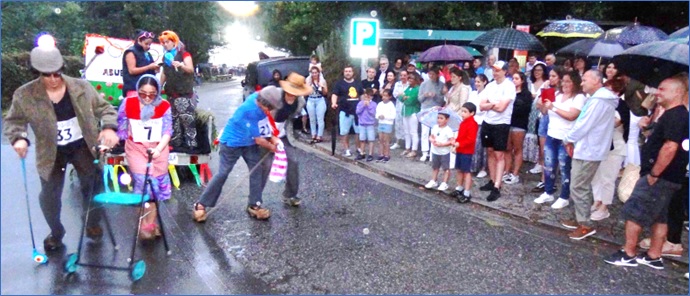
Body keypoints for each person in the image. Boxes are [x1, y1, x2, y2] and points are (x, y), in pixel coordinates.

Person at [4, 43, 119, 251]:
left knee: (94, 185)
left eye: (57, 74)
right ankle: (56, 230)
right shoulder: (25, 95)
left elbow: (106, 108)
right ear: (38, 73)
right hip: (51, 150)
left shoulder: (81, 87)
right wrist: (19, 138)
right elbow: (14, 121)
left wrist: (109, 128)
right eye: (47, 75)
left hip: (82, 145)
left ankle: (92, 222)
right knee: (48, 196)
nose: (54, 79)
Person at [604, 75, 688, 269]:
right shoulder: (674, 114)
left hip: (660, 176)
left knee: (634, 212)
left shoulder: (675, 115)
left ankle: (628, 252)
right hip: (670, 177)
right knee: (660, 216)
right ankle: (654, 255)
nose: (657, 92)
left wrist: (654, 174)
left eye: (662, 89)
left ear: (677, 92)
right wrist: (648, 127)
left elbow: (670, 147)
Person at [192, 87, 283, 222]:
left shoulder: (262, 95)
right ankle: (200, 204)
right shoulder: (250, 110)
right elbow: (259, 139)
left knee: (257, 170)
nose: (269, 111)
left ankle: (254, 204)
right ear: (262, 103)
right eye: (268, 108)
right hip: (231, 142)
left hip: (248, 143)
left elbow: (265, 128)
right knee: (223, 173)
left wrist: (274, 140)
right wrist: (272, 146)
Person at [560, 70, 618, 240]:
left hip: (591, 149)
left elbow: (584, 124)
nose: (582, 83)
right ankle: (580, 217)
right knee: (579, 184)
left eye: (585, 80)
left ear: (596, 81)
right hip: (587, 147)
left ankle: (585, 224)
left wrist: (568, 139)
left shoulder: (599, 101)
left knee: (579, 186)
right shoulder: (596, 100)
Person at [116, 74, 172, 239]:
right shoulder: (128, 103)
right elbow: (121, 125)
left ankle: (151, 222)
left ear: (158, 92)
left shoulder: (164, 106)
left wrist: (159, 149)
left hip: (158, 150)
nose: (147, 98)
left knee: (155, 189)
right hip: (136, 149)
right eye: (143, 93)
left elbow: (167, 131)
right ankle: (144, 224)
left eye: (152, 94)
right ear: (137, 91)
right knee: (144, 182)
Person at [533, 71, 586, 210]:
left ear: (575, 82)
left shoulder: (579, 97)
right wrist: (542, 104)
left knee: (564, 167)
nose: (565, 84)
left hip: (566, 138)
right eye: (564, 81)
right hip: (552, 134)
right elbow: (545, 112)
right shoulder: (556, 94)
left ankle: (564, 196)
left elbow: (571, 116)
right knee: (549, 164)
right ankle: (548, 191)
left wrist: (553, 108)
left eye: (569, 81)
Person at [259, 74, 312, 207]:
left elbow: (290, 119)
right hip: (265, 133)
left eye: (296, 92)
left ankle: (290, 195)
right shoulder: (275, 94)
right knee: (265, 165)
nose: (292, 95)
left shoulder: (300, 102)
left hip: (283, 135)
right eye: (290, 91)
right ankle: (255, 199)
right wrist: (268, 137)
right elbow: (261, 111)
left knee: (293, 161)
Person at [590, 76, 629, 221]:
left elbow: (616, 123)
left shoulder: (621, 106)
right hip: (599, 144)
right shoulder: (600, 103)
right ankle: (597, 199)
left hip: (615, 146)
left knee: (608, 178)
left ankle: (604, 207)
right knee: (596, 175)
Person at [478, 61, 516, 202]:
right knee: (490, 152)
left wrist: (490, 105)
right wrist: (494, 104)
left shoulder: (509, 86)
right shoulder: (490, 85)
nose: (495, 73)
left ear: (505, 71)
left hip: (501, 124)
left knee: (499, 155)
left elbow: (502, 108)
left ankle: (497, 186)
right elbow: (481, 106)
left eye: (498, 70)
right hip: (488, 122)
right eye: (494, 70)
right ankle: (492, 179)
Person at [159, 30, 197, 153]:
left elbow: (190, 69)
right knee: (173, 121)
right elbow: (164, 73)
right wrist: (159, 86)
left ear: (174, 42)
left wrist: (180, 66)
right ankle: (176, 144)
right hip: (171, 93)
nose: (165, 44)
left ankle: (191, 144)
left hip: (184, 93)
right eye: (163, 42)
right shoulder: (166, 57)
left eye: (167, 42)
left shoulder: (184, 54)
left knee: (187, 119)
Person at [531, 67, 564, 193]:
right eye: (550, 76)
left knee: (554, 153)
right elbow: (543, 110)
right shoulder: (547, 88)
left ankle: (552, 181)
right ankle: (544, 180)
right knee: (544, 153)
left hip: (556, 121)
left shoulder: (562, 92)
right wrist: (543, 95)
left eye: (554, 76)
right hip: (545, 120)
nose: (551, 78)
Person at [502, 71, 532, 185]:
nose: (514, 80)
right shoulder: (509, 93)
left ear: (522, 80)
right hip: (507, 122)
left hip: (519, 124)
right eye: (513, 78)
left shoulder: (526, 94)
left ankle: (515, 174)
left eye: (516, 78)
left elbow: (525, 110)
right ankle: (507, 171)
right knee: (507, 149)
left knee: (517, 149)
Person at [331, 65, 364, 157]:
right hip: (344, 111)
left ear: (353, 73)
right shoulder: (339, 84)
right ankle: (347, 149)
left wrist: (364, 105)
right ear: (343, 72)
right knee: (344, 132)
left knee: (358, 131)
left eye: (349, 71)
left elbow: (361, 95)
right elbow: (334, 94)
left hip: (357, 112)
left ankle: (358, 148)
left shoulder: (358, 83)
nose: (348, 73)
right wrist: (334, 103)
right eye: (346, 71)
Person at [451, 102, 479, 203]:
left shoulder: (473, 124)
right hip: (460, 149)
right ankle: (459, 187)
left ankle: (467, 192)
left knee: (466, 171)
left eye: (465, 112)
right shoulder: (463, 123)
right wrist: (455, 142)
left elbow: (471, 139)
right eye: (462, 111)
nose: (462, 114)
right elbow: (461, 136)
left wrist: (459, 144)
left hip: (467, 151)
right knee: (459, 169)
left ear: (472, 113)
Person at [418, 67, 446, 162]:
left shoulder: (441, 85)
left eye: (433, 74)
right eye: (430, 74)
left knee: (434, 132)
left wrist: (435, 96)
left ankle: (432, 152)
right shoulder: (424, 84)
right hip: (425, 108)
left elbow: (442, 100)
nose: (431, 76)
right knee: (424, 132)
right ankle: (424, 152)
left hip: (436, 109)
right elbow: (419, 99)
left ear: (437, 74)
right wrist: (425, 95)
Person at [423, 110, 455, 192]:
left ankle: (445, 182)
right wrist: (432, 140)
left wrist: (443, 144)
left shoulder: (448, 130)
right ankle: (434, 180)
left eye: (441, 118)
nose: (439, 120)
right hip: (435, 151)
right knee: (435, 167)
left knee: (446, 168)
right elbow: (432, 136)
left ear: (447, 120)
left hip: (444, 152)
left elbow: (452, 141)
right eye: (438, 118)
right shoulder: (435, 127)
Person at [524, 63, 548, 171]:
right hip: (529, 110)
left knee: (539, 137)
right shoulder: (530, 82)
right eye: (535, 70)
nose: (537, 72)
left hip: (539, 112)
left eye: (540, 70)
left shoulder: (546, 84)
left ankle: (540, 161)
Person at [122, 30, 158, 98]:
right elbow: (132, 70)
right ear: (139, 40)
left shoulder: (147, 54)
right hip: (133, 89)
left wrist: (155, 69)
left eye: (150, 44)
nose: (148, 46)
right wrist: (149, 67)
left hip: (146, 90)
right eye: (146, 44)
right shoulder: (131, 52)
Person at [468, 74, 489, 178]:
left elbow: (481, 109)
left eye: (479, 82)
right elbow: (468, 105)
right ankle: (473, 166)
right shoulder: (473, 93)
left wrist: (473, 110)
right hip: (472, 122)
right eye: (475, 82)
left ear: (484, 82)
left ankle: (483, 168)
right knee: (472, 145)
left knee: (480, 146)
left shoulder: (487, 94)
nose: (476, 84)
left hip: (482, 122)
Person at [400, 73, 421, 158]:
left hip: (413, 112)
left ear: (416, 79)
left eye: (412, 78)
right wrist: (404, 97)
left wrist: (404, 97)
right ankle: (407, 148)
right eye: (409, 78)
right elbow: (400, 97)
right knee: (406, 131)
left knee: (413, 132)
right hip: (405, 111)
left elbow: (411, 101)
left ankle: (414, 150)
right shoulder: (408, 88)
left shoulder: (417, 89)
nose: (410, 80)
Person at [305, 66, 328, 143]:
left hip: (320, 99)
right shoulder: (308, 80)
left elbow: (325, 93)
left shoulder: (322, 81)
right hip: (311, 99)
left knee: (320, 119)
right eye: (313, 73)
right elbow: (305, 93)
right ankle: (313, 134)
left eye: (316, 72)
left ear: (318, 73)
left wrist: (322, 86)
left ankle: (319, 135)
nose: (314, 74)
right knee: (312, 119)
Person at [356, 88, 378, 162]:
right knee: (362, 139)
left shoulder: (374, 104)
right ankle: (362, 152)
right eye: (365, 97)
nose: (366, 99)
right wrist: (363, 106)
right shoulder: (360, 103)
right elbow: (357, 112)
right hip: (362, 123)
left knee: (371, 139)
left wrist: (368, 106)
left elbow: (373, 113)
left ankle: (370, 154)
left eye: (368, 97)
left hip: (370, 124)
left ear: (371, 97)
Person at [390, 70, 410, 150]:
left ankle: (407, 144)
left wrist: (402, 94)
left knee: (407, 125)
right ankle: (397, 142)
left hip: (407, 105)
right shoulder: (397, 84)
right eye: (401, 75)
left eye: (404, 75)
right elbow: (395, 94)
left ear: (407, 76)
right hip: (399, 106)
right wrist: (402, 94)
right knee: (398, 124)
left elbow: (409, 95)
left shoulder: (410, 84)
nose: (403, 77)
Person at [375, 89, 396, 163]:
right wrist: (378, 116)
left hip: (388, 123)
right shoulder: (380, 104)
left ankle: (387, 154)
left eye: (386, 96)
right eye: (383, 95)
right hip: (381, 123)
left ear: (390, 97)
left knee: (386, 140)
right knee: (380, 139)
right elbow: (377, 113)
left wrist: (385, 117)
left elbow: (393, 116)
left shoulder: (391, 105)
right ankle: (381, 154)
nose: (384, 97)